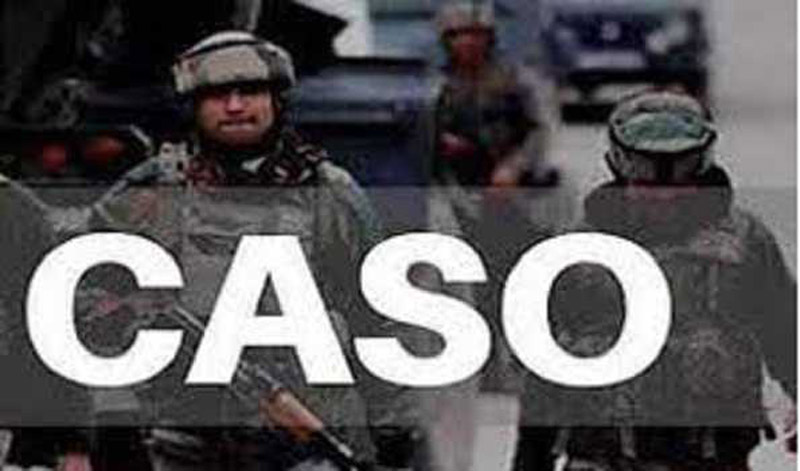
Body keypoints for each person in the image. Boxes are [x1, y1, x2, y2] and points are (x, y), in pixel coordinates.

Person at [81, 31, 417, 471]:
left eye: (250, 92)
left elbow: (376, 319)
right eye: (218, 95)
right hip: (179, 439)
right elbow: (83, 303)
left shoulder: (330, 194)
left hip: (303, 435)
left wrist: (391, 431)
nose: (235, 106)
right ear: (194, 106)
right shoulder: (150, 193)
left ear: (276, 101)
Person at [519, 90, 796, 471]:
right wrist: (530, 459)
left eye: (680, 172)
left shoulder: (744, 243)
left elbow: (785, 330)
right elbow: (543, 372)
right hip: (600, 455)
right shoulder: (576, 252)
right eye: (646, 174)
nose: (664, 193)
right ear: (620, 165)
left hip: (710, 457)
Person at [433, 1, 556, 188]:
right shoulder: (436, 81)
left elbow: (539, 130)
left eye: (475, 33)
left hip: (507, 173)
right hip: (454, 174)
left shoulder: (516, 78)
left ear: (489, 37)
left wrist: (514, 166)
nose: (467, 41)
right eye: (457, 35)